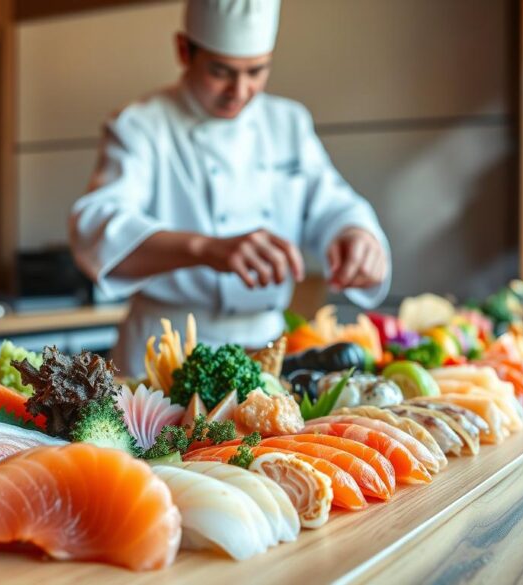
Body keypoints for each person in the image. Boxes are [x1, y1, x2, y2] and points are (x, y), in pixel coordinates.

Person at [71, 0, 391, 376]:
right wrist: (206, 248)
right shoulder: (139, 125)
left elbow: (334, 204)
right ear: (183, 50)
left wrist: (356, 234)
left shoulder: (288, 123)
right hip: (162, 355)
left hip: (268, 349)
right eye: (221, 71)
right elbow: (96, 228)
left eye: (256, 71)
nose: (239, 91)